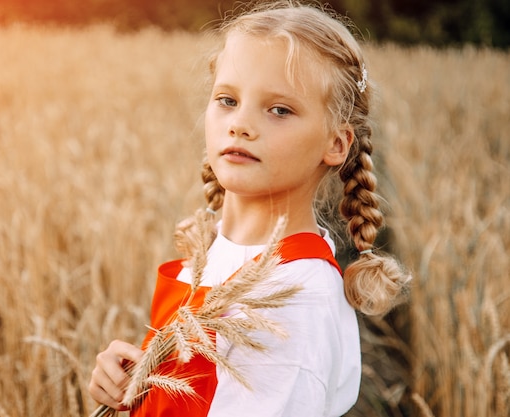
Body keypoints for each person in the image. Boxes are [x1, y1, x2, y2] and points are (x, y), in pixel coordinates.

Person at [88, 1, 410, 416]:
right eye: (227, 100)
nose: (240, 123)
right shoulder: (209, 258)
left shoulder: (294, 298)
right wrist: (136, 386)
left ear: (336, 144)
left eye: (280, 109)